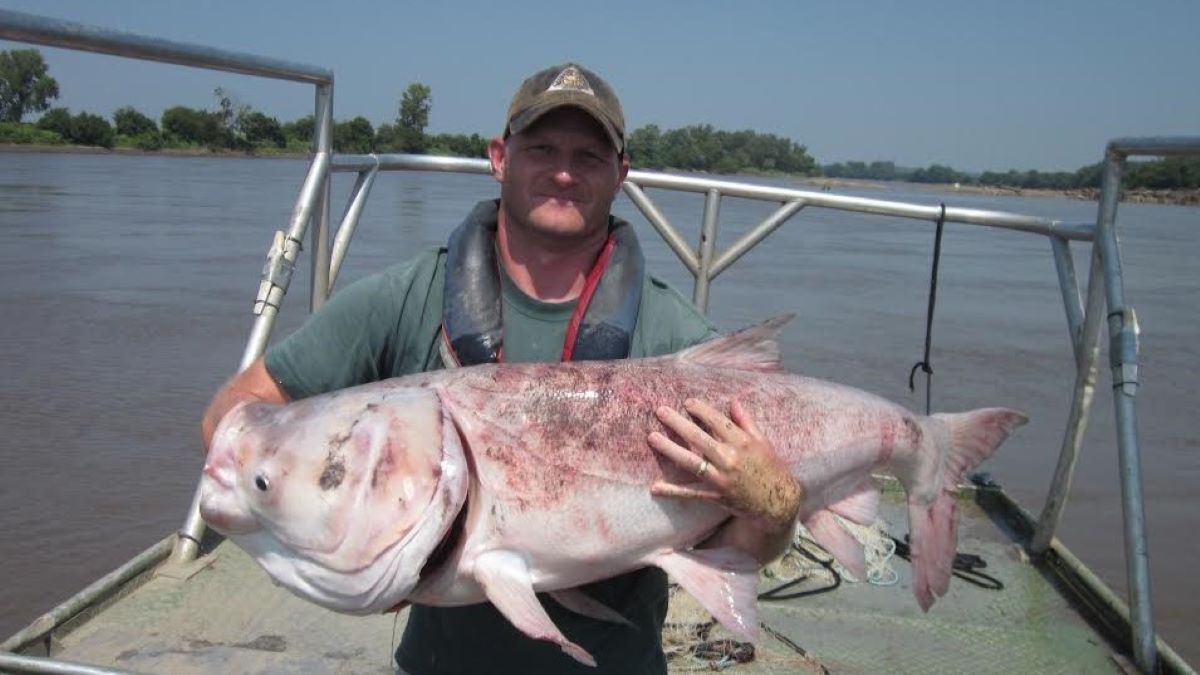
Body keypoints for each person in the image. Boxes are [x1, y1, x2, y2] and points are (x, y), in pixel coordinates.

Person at [200, 62, 801, 675]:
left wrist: (775, 510)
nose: (563, 172)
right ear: (499, 157)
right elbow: (241, 407)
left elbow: (742, 552)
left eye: (588, 156)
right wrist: (347, 549)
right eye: (541, 148)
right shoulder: (406, 297)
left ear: (620, 175)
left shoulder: (673, 333)